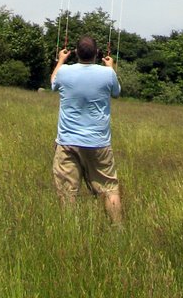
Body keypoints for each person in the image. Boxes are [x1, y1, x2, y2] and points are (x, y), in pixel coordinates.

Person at [51, 35, 122, 225]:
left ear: (76, 52)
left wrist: (61, 61)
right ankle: (117, 230)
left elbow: (53, 82)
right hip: (98, 143)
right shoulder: (108, 74)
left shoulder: (64, 72)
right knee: (109, 189)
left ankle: (70, 231)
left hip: (67, 143)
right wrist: (110, 67)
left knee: (67, 192)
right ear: (97, 54)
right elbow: (116, 93)